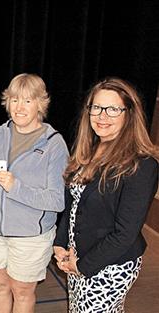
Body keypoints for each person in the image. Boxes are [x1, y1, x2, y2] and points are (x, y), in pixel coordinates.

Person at [53, 77, 159, 312]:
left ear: (129, 113)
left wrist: (82, 266)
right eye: (96, 108)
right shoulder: (88, 151)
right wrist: (61, 243)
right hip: (78, 255)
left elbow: (125, 233)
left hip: (109, 265)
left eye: (113, 109)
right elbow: (74, 205)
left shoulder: (142, 164)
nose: (102, 116)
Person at [0, 73, 68, 313]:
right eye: (15, 99)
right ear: (7, 102)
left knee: (21, 292)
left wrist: (16, 187)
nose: (20, 107)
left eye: (28, 101)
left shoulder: (53, 144)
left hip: (30, 237)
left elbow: (57, 200)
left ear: (40, 104)